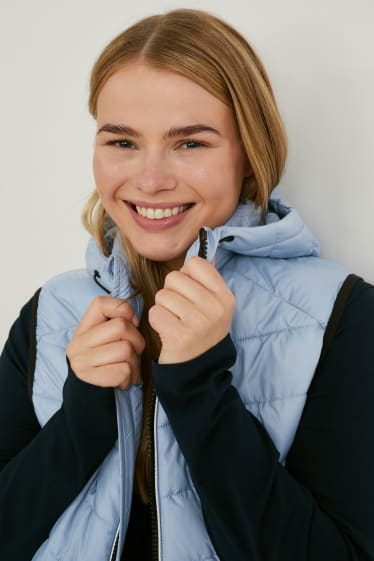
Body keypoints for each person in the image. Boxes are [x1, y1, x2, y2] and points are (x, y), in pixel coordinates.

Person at [0, 7, 373, 561]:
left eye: (191, 143)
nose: (150, 179)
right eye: (122, 142)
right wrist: (80, 418)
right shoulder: (51, 310)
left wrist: (201, 391)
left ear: (249, 152)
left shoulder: (340, 313)